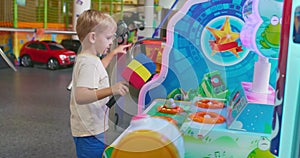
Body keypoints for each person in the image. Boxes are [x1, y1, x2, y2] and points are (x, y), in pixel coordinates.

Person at [70, 9, 131, 158]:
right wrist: (112, 89)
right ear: (93, 37)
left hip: (93, 127)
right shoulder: (89, 63)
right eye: (109, 37)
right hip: (89, 131)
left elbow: (98, 69)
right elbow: (81, 95)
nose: (111, 42)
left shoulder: (90, 58)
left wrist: (113, 52)